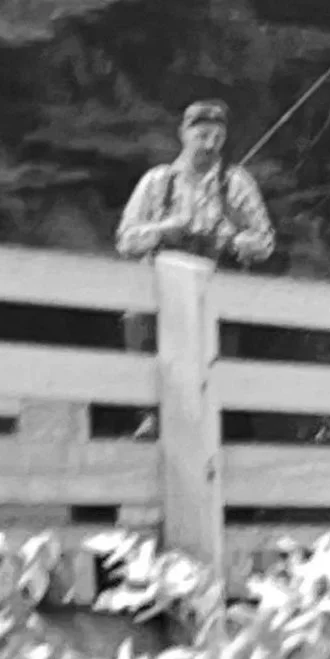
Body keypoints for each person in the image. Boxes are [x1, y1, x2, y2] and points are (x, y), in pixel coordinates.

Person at [115, 98, 275, 436]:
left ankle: (218, 424)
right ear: (184, 135)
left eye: (217, 138)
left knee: (220, 359)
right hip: (162, 290)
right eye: (202, 136)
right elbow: (125, 240)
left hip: (217, 290)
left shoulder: (236, 183)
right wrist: (164, 229)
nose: (209, 145)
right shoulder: (157, 182)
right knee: (136, 320)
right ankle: (150, 415)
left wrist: (232, 239)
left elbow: (265, 243)